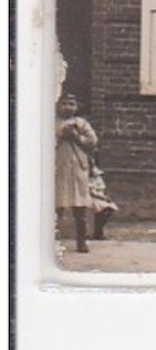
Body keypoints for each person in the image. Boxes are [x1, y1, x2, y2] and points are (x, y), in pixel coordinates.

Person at [55, 94, 97, 253]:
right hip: (58, 169)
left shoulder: (81, 123)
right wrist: (60, 134)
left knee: (80, 208)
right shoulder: (52, 123)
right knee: (56, 207)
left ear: (77, 107)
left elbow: (93, 141)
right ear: (58, 105)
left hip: (78, 170)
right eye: (64, 103)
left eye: (72, 104)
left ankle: (81, 241)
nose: (68, 107)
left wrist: (76, 137)